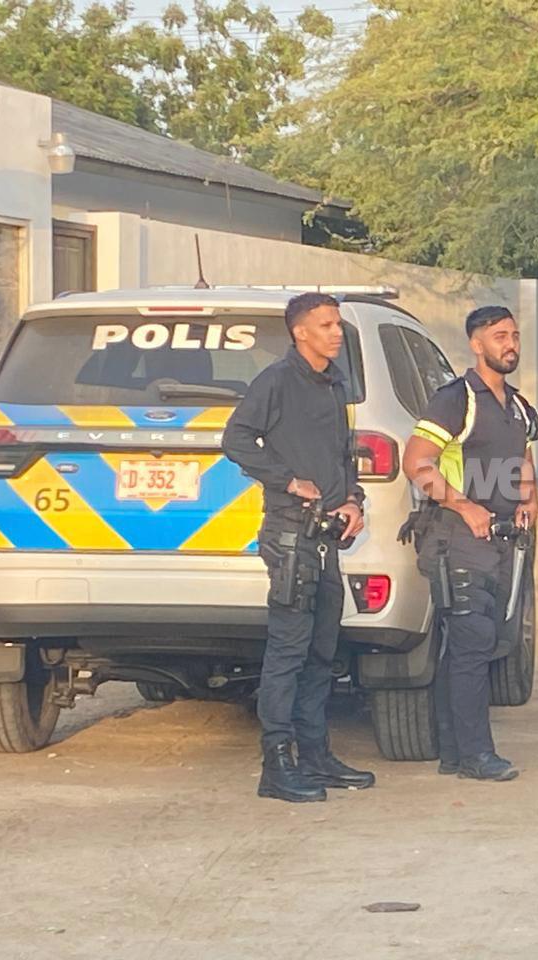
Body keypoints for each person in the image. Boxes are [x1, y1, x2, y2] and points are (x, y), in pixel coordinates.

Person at [223, 292, 376, 802]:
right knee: (288, 651)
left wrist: (353, 500)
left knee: (321, 651)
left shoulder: (334, 383)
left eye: (338, 324)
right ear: (300, 332)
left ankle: (314, 755)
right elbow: (236, 439)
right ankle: (277, 764)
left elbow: (341, 456)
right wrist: (288, 481)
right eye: (326, 325)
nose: (336, 333)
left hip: (328, 536)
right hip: (291, 532)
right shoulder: (277, 381)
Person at [401, 305, 538, 782]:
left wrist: (529, 498)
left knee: (474, 645)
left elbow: (522, 454)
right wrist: (465, 506)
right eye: (499, 336)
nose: (511, 344)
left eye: (514, 335)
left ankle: (454, 754)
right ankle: (477, 755)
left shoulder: (517, 405)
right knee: (472, 644)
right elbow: (417, 463)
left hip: (501, 541)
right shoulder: (456, 399)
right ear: (476, 345)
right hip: (457, 537)